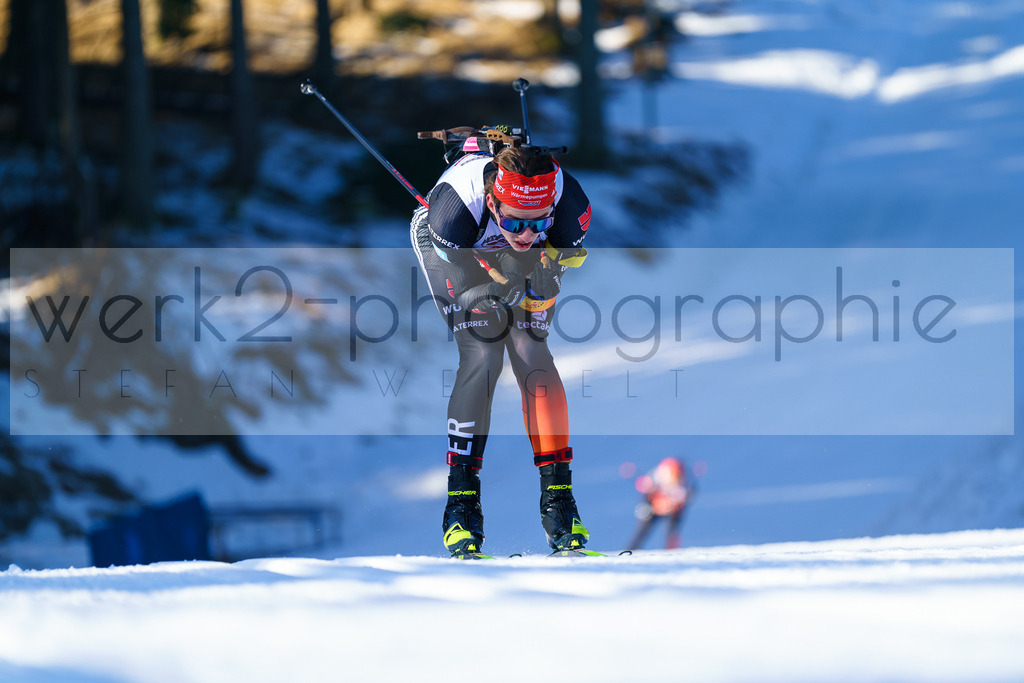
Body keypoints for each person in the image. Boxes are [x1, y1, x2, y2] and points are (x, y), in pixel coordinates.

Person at [410, 138, 592, 557]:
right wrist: (491, 290)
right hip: (457, 252)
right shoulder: (453, 211)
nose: (527, 234)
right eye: (515, 223)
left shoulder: (568, 210)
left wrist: (542, 281)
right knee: (484, 350)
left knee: (531, 350)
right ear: (493, 203)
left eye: (538, 224)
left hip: (508, 258)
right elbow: (464, 289)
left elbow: (549, 268)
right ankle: (461, 508)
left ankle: (560, 504)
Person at [626, 457, 695, 551]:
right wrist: (648, 506)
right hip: (653, 508)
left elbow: (689, 496)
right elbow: (645, 492)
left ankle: (672, 553)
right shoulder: (656, 476)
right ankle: (629, 551)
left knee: (672, 532)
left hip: (672, 510)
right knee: (642, 532)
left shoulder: (686, 482)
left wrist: (675, 503)